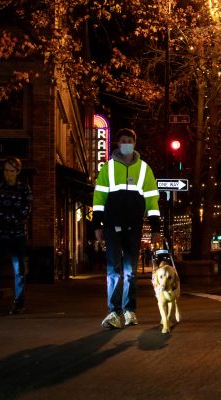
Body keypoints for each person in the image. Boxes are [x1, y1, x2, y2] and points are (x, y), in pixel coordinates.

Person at [93, 128, 161, 329]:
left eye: (129, 140)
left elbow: (152, 200)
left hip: (134, 225)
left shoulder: (144, 169)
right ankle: (114, 312)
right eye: (123, 140)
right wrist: (97, 225)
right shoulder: (108, 168)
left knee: (130, 271)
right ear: (118, 144)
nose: (126, 143)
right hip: (112, 225)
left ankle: (129, 310)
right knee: (114, 270)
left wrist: (156, 228)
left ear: (134, 143)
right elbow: (99, 198)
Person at [0, 157, 33, 318]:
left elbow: (25, 212)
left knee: (19, 270)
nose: (8, 174)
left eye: (11, 171)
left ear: (17, 172)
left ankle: (19, 301)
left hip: (17, 234)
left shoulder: (24, 189)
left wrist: (2, 218)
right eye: (6, 170)